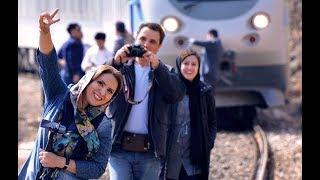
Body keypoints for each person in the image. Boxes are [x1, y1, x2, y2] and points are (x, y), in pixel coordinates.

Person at [18, 9, 123, 180]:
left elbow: (98, 168)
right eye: (100, 83)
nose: (102, 92)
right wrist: (44, 32)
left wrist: (61, 162)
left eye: (110, 91)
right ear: (89, 79)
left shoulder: (103, 124)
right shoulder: (59, 95)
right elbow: (48, 62)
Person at [107, 22, 186, 180]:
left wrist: (157, 67)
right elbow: (96, 83)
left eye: (152, 41)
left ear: (159, 47)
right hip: (118, 149)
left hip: (150, 152)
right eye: (142, 39)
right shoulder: (120, 69)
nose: (146, 44)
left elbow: (176, 95)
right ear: (134, 39)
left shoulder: (165, 72)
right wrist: (115, 61)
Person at [164, 49, 217, 180]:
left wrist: (208, 143)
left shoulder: (205, 91)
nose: (189, 67)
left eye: (194, 64)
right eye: (186, 63)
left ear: (199, 67)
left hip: (194, 159)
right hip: (170, 158)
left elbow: (212, 122)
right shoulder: (171, 90)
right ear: (179, 65)